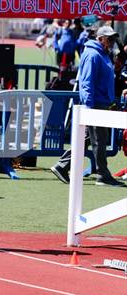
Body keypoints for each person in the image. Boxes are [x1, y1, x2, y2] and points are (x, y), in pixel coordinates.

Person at [50, 26, 125, 187]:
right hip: (95, 104)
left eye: (113, 39)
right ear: (100, 38)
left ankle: (62, 165)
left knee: (90, 138)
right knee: (98, 139)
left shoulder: (102, 54)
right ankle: (103, 175)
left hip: (102, 102)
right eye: (109, 38)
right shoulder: (93, 54)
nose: (112, 42)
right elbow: (86, 83)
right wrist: (89, 107)